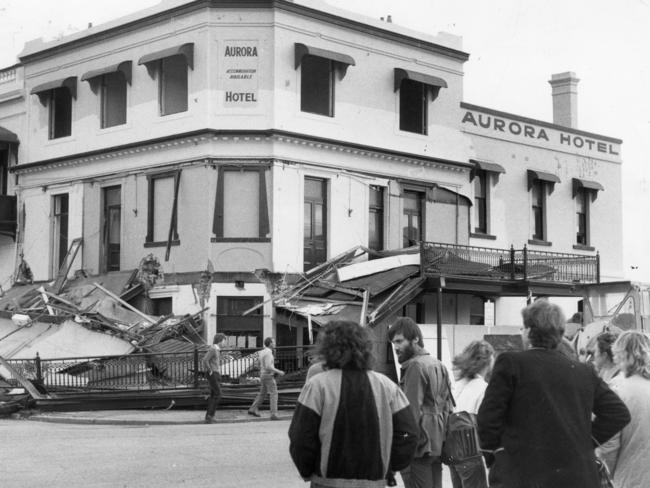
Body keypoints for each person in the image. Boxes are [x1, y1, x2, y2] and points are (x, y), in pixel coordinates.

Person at [477, 299, 631, 488]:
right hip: (576, 477)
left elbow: (488, 418)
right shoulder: (584, 371)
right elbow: (618, 414)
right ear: (560, 333)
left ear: (529, 331)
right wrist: (585, 443)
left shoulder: (510, 363)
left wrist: (495, 456)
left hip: (522, 474)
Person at [289, 320, 418, 488]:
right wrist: (389, 467)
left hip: (327, 482)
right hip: (373, 482)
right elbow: (409, 433)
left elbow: (300, 436)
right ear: (366, 349)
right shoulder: (388, 386)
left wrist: (308, 470)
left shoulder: (317, 385)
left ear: (327, 349)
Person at [388, 317, 453, 488]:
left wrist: (400, 449)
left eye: (399, 341)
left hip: (418, 447)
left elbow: (410, 413)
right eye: (393, 342)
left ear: (415, 339)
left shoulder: (415, 366)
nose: (395, 347)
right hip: (437, 444)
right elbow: (448, 406)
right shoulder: (438, 364)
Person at [597, 331, 650, 487]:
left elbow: (609, 445)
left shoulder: (616, 389)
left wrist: (608, 476)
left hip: (630, 477)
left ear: (620, 354)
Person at [449, 341, 494, 488]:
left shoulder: (458, 384)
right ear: (487, 361)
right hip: (471, 449)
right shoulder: (483, 388)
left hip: (453, 449)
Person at [248, 336, 285, 420]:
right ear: (271, 344)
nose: (275, 343)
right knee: (274, 394)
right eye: (274, 342)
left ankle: (253, 408)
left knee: (262, 393)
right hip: (268, 375)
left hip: (263, 375)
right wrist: (279, 371)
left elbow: (258, 364)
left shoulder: (262, 352)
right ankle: (274, 414)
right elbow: (268, 366)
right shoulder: (268, 353)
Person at [201, 332, 226, 423]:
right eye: (224, 341)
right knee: (218, 394)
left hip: (215, 373)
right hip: (213, 374)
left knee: (213, 395)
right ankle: (210, 415)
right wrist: (210, 370)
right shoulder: (213, 349)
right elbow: (205, 360)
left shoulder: (216, 349)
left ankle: (209, 416)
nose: (225, 343)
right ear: (220, 341)